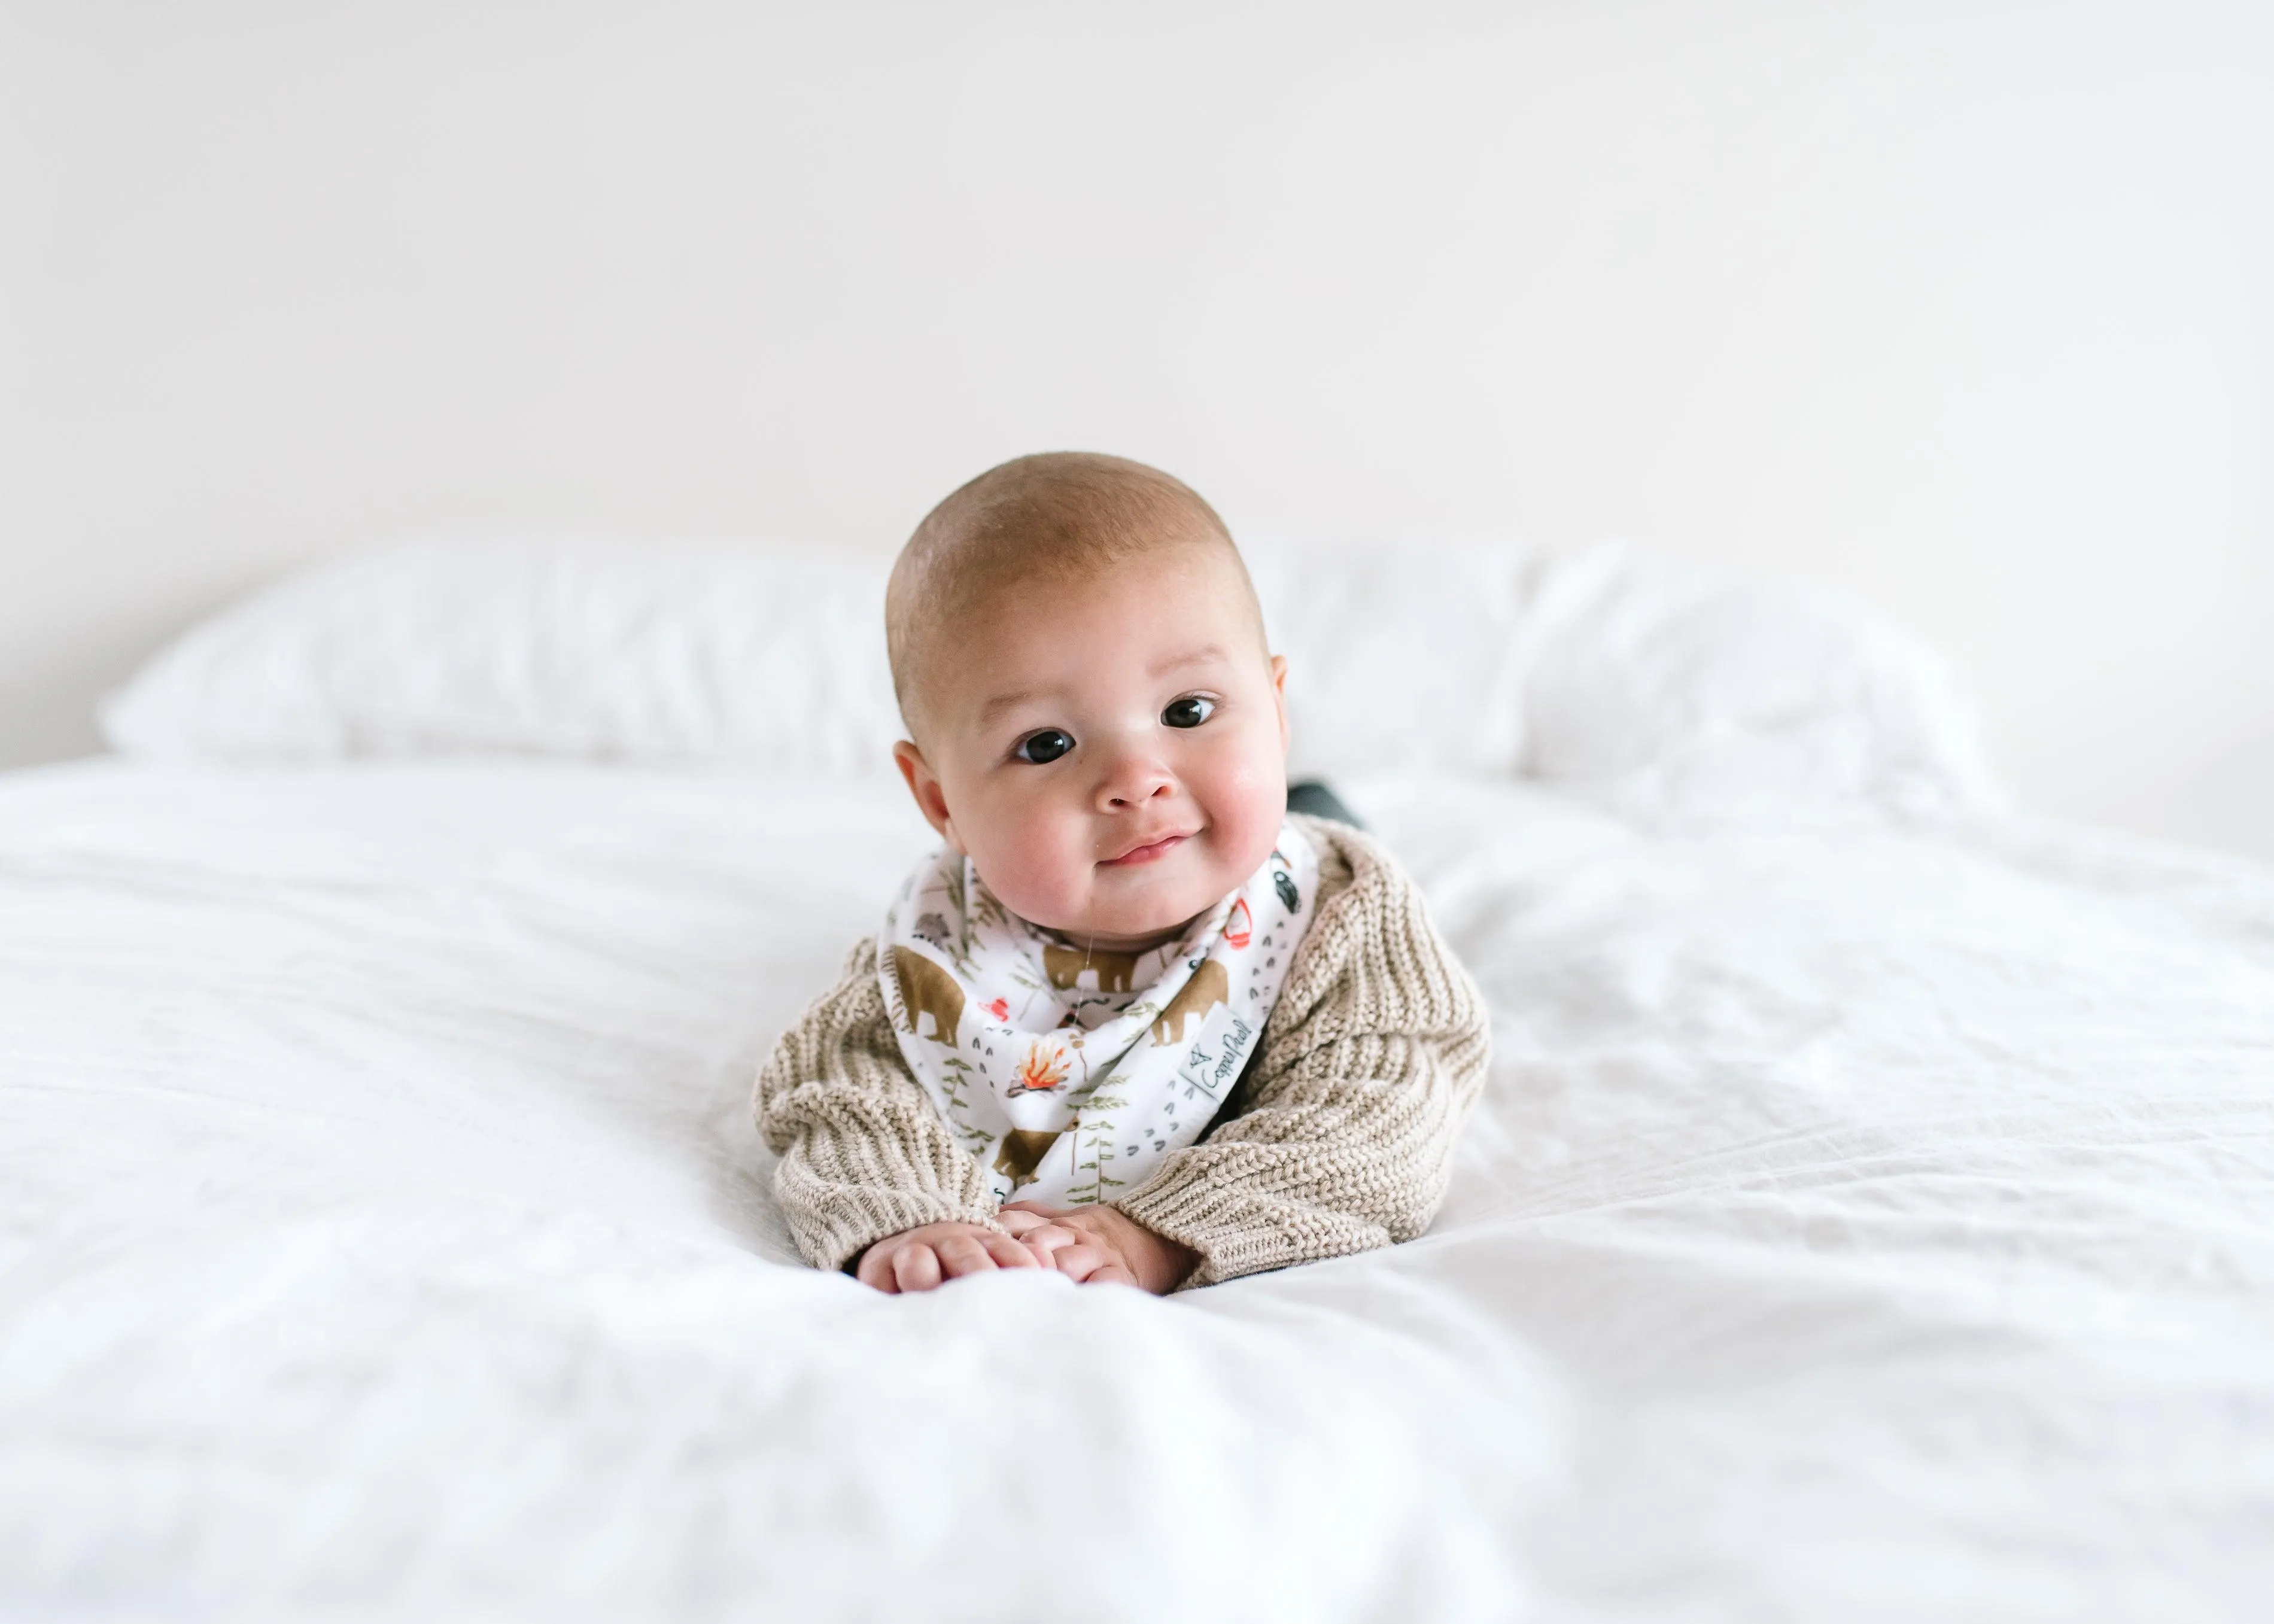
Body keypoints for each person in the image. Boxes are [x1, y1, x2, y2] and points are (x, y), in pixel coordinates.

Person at [754, 452, 1488, 1294]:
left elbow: (1377, 1121)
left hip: (1285, 869)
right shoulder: (935, 950)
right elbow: (842, 1096)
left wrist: (1158, 1231)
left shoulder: (1342, 915)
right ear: (940, 800)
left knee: (1325, 827)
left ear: (1277, 713)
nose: (1137, 779)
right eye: (1047, 745)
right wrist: (910, 1212)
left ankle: (1312, 800)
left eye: (1189, 711)